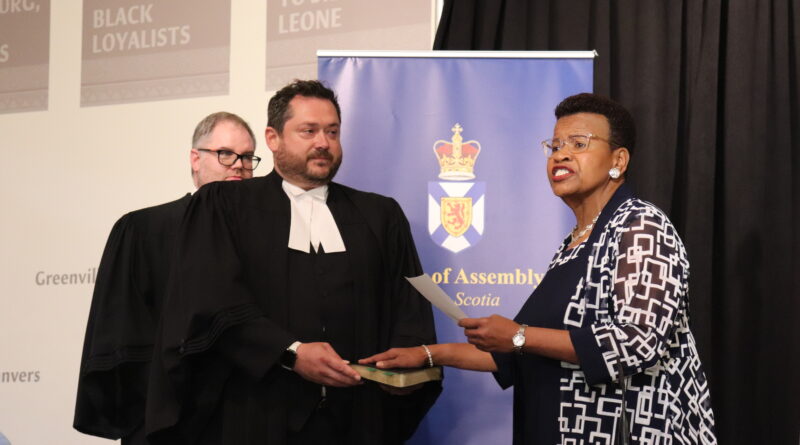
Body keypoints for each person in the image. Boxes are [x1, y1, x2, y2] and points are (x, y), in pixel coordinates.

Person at [362, 93, 717, 444]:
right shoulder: (573, 244)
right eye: (555, 145)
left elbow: (637, 343)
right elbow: (520, 354)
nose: (560, 154)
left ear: (618, 161)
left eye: (578, 143)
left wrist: (519, 335)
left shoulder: (641, 225)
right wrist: (427, 354)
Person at [143, 80, 440, 445]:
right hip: (254, 415)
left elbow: (409, 306)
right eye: (308, 131)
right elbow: (212, 300)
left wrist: (406, 370)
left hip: (357, 419)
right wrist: (290, 353)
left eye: (332, 131)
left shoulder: (380, 215)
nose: (323, 142)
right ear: (273, 138)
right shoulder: (224, 205)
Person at [74, 112, 259, 445]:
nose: (238, 165)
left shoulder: (269, 241)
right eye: (225, 153)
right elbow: (121, 342)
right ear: (195, 159)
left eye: (247, 157)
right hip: (165, 422)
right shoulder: (143, 231)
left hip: (250, 419)